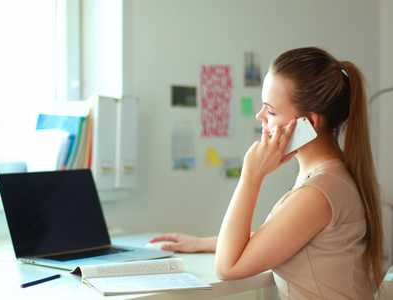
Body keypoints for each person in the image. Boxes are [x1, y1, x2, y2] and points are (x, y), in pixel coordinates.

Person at [150, 47, 383, 299]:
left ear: (310, 123)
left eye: (271, 111)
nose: (260, 116)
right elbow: (281, 234)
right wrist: (202, 243)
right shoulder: (331, 176)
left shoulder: (318, 193)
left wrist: (251, 176)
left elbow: (228, 268)